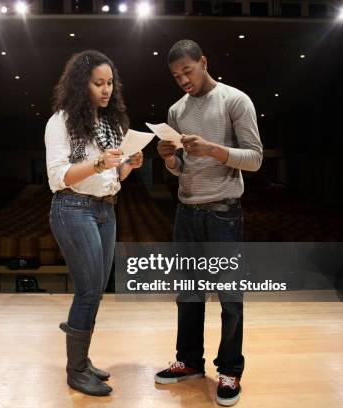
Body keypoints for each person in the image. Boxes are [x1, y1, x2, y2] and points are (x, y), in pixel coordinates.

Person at [155, 39, 263, 407]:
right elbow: (182, 168)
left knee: (230, 299)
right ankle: (189, 362)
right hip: (187, 212)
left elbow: (255, 159)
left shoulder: (235, 100)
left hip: (223, 213)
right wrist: (170, 159)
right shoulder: (176, 110)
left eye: (187, 70)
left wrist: (213, 149)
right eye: (175, 76)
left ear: (203, 61)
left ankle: (230, 370)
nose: (183, 79)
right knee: (188, 294)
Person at [45, 50, 143, 396]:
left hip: (105, 208)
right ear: (80, 84)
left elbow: (112, 176)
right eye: (98, 83)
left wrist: (128, 164)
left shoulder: (111, 124)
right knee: (88, 290)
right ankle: (75, 370)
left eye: (110, 83)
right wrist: (101, 164)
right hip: (72, 207)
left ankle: (82, 359)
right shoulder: (61, 121)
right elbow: (59, 177)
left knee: (96, 290)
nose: (106, 89)